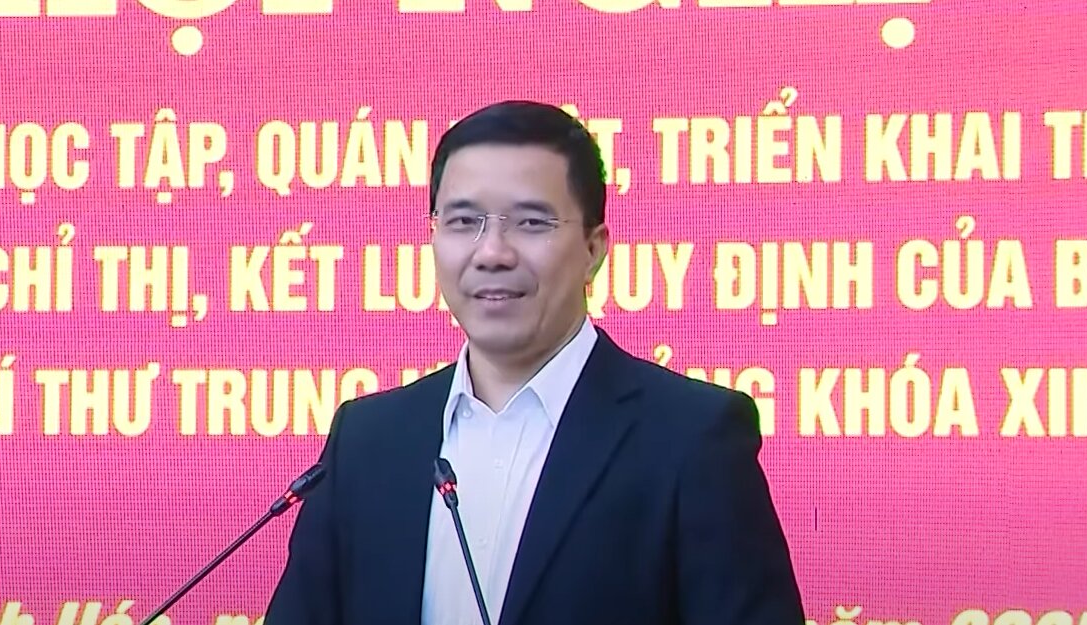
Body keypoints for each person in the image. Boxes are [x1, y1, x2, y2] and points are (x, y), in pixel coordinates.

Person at [264, 100, 804, 625]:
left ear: (594, 250)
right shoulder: (368, 440)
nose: (492, 253)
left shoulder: (691, 438)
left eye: (531, 223)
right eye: (464, 221)